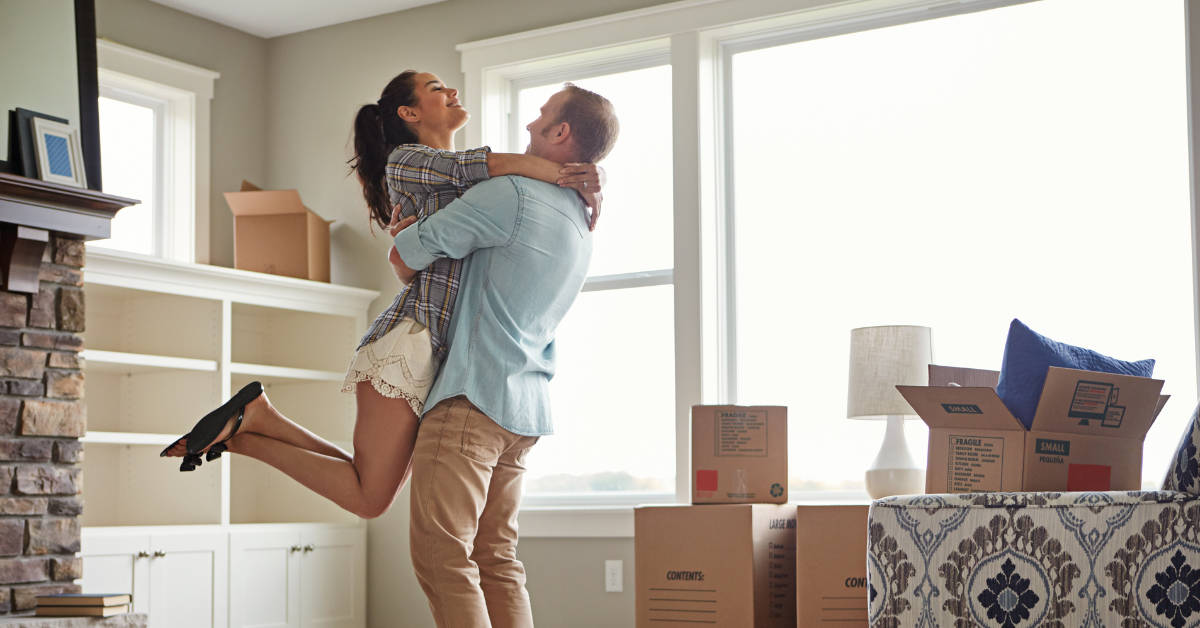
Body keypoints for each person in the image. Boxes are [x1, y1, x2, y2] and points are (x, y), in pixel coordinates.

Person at [159, 71, 605, 523]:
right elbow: (484, 168)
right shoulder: (408, 160)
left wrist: (593, 175)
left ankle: (256, 421)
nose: (452, 91)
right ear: (409, 114)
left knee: (369, 484)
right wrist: (566, 173)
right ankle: (244, 435)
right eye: (436, 89)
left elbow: (425, 252)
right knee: (370, 498)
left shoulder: (478, 186)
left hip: (434, 352)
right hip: (409, 342)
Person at [392, 82, 618, 627]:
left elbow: (407, 253)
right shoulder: (582, 220)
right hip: (523, 410)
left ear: (561, 132)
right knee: (495, 559)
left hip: (472, 398)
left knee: (441, 556)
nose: (529, 126)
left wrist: (405, 238)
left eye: (541, 117)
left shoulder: (512, 194)